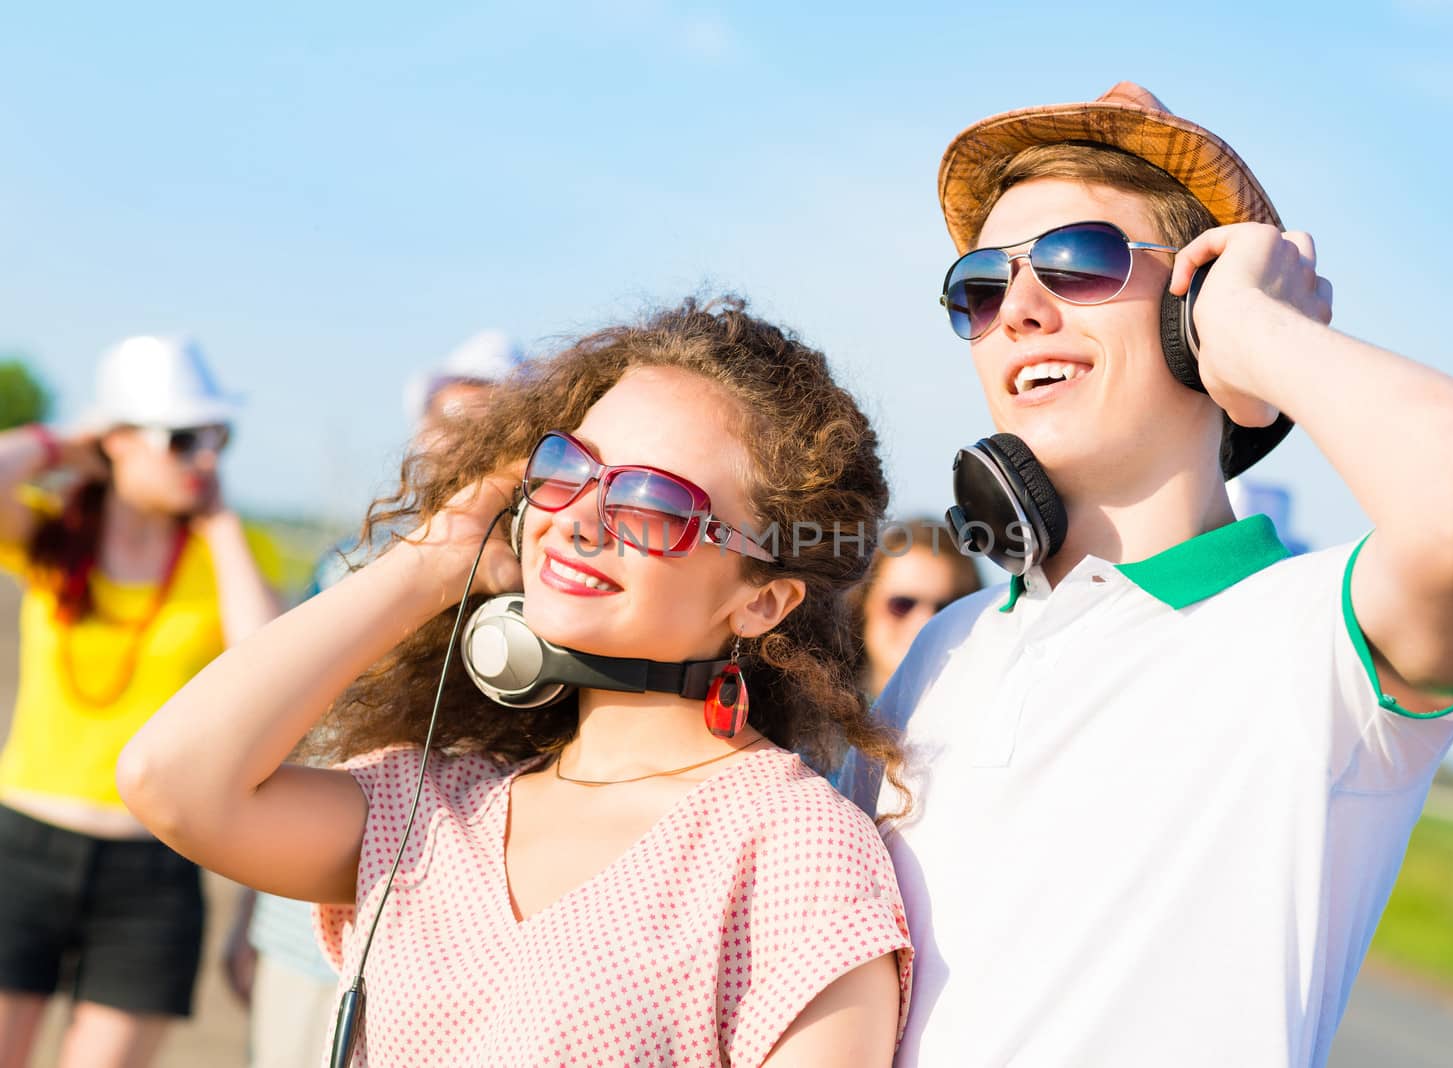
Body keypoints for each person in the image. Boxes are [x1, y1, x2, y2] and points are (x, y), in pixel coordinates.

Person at [864, 83, 1453, 1066]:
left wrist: (1264, 336)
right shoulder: (943, 647)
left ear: (1197, 310)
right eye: (980, 284)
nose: (1016, 308)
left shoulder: (1319, 639)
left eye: (1079, 262)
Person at [119, 298, 914, 1066]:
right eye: (568, 467)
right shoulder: (433, 812)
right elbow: (172, 780)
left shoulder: (792, 849)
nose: (578, 518)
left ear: (762, 598)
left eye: (652, 500)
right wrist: (436, 559)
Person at [221, 327, 527, 1068]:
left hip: (445, 937)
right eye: (445, 423)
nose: (457, 445)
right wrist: (244, 910)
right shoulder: (349, 565)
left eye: (486, 426)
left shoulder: (537, 591)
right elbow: (288, 731)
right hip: (301, 926)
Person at [0, 336, 280, 1068]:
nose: (206, 459)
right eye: (182, 439)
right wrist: (63, 442)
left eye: (219, 438)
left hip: (152, 870)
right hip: (20, 844)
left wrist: (217, 522)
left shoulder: (229, 554)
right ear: (116, 441)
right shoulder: (55, 537)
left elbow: (267, 671)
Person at [854, 518, 982, 701]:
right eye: (902, 604)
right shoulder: (816, 719)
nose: (924, 621)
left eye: (946, 608)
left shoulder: (992, 716)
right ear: (864, 603)